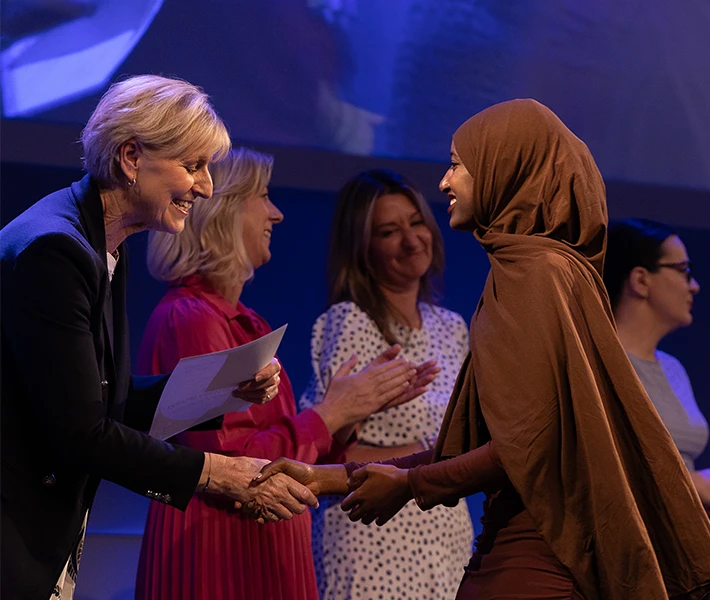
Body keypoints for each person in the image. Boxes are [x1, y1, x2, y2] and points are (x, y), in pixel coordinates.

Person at [258, 99, 710, 600]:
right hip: (532, 554)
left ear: (506, 168)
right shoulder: (551, 271)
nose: (444, 182)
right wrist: (327, 477)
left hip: (534, 560)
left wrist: (408, 487)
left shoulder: (534, 273)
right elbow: (473, 448)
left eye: (458, 165)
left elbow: (525, 448)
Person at [0, 75, 315, 600]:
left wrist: (223, 390)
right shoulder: (55, 250)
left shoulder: (101, 241)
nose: (206, 187)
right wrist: (215, 472)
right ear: (131, 158)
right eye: (193, 166)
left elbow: (105, 399)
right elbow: (81, 432)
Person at [134, 149, 434, 599]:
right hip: (221, 551)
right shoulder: (193, 318)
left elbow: (292, 457)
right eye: (263, 196)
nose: (276, 213)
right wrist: (331, 413)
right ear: (223, 212)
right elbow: (231, 467)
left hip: (257, 545)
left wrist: (351, 411)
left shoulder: (244, 321)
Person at [298, 169, 473, 600]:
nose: (412, 241)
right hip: (372, 543)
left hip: (445, 541)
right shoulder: (350, 323)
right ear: (363, 248)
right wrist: (428, 458)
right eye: (390, 232)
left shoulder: (452, 328)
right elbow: (325, 453)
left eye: (416, 223)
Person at [603, 218, 710, 518]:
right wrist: (695, 484)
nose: (694, 286)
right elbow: (605, 469)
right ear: (641, 280)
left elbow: (676, 470)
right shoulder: (599, 362)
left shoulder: (673, 369)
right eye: (684, 271)